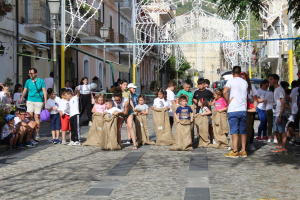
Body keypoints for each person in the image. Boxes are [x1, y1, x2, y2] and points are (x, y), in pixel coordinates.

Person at [223, 66, 248, 158]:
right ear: (240, 72)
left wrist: (228, 101)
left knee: (234, 131)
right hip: (243, 109)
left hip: (233, 109)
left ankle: (235, 150)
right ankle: (243, 150)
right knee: (243, 131)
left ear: (232, 73)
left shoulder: (231, 81)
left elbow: (225, 91)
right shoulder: (244, 82)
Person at [19, 67, 47, 140]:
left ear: (35, 73)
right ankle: (30, 132)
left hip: (38, 100)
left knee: (36, 117)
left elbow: (44, 91)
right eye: (29, 73)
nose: (30, 74)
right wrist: (21, 97)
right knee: (29, 116)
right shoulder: (28, 81)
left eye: (31, 73)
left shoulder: (41, 81)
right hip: (30, 100)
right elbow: (25, 90)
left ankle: (37, 133)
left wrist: (45, 100)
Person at [268, 74, 287, 152]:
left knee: (282, 130)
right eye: (269, 79)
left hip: (279, 113)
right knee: (276, 131)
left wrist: (280, 115)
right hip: (275, 113)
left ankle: (283, 146)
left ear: (276, 80)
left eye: (271, 79)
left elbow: (283, 103)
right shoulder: (275, 89)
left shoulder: (280, 89)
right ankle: (280, 145)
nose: (270, 81)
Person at [241, 72, 258, 151]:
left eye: (243, 78)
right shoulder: (237, 86)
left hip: (249, 109)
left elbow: (255, 99)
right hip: (239, 109)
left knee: (250, 127)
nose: (242, 79)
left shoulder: (251, 87)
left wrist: (254, 107)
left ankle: (250, 143)